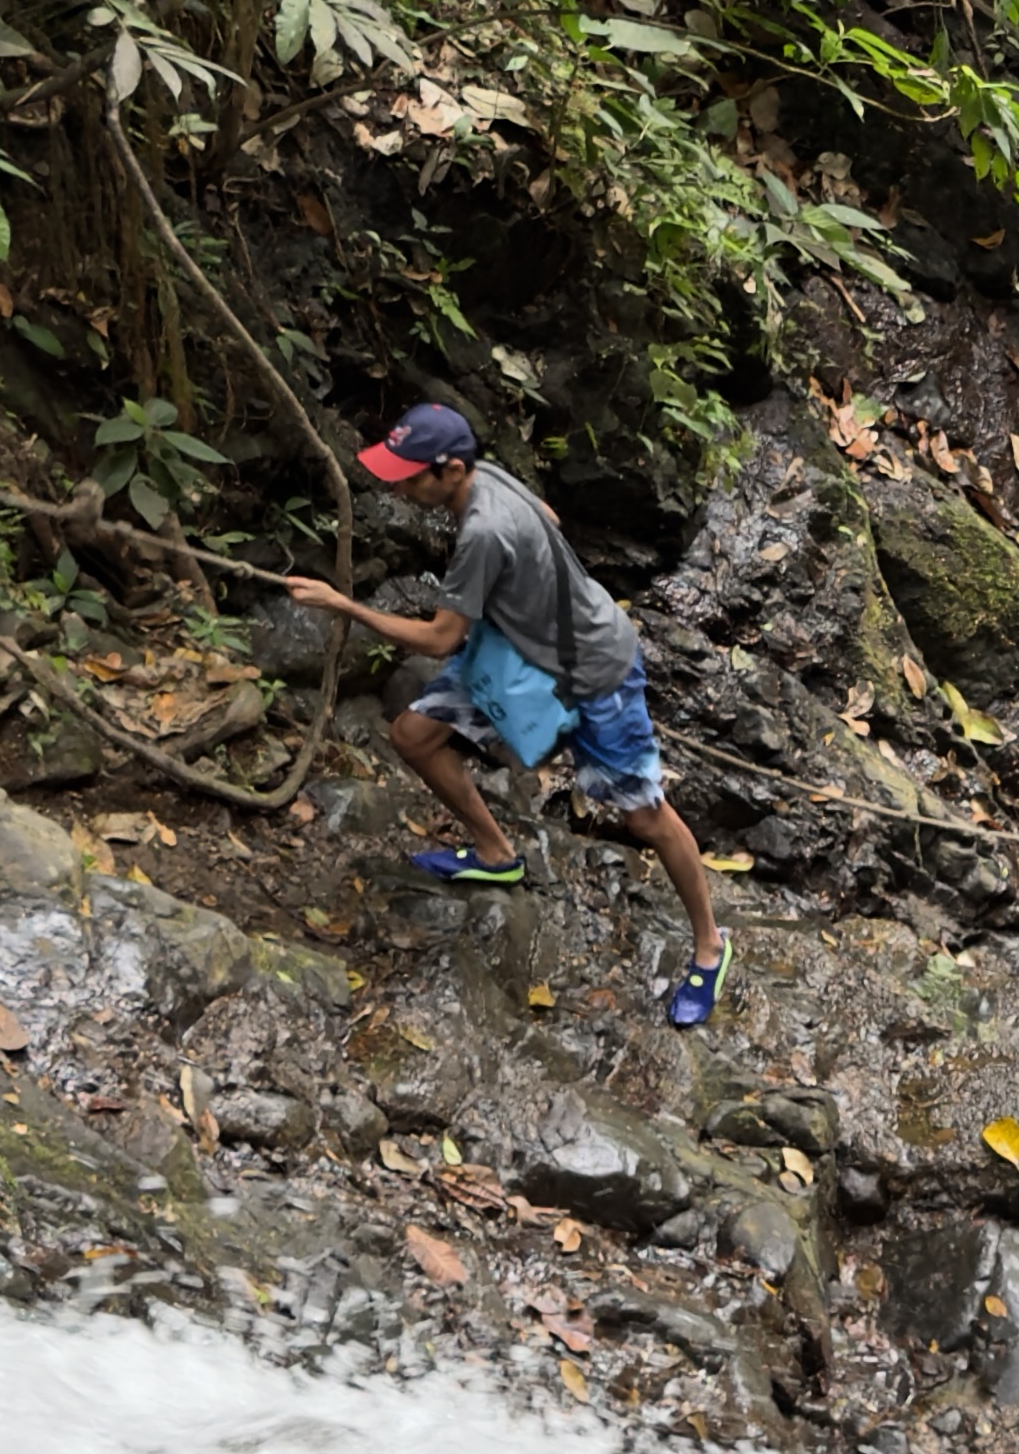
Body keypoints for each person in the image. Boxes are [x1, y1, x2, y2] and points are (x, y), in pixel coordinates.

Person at [313, 399, 733, 1030]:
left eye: (411, 474)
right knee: (415, 734)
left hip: (594, 672)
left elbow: (436, 640)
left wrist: (344, 606)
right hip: (522, 648)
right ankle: (494, 851)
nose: (398, 484)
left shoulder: (481, 532)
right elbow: (549, 516)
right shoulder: (490, 477)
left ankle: (709, 946)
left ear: (451, 470)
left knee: (645, 817)